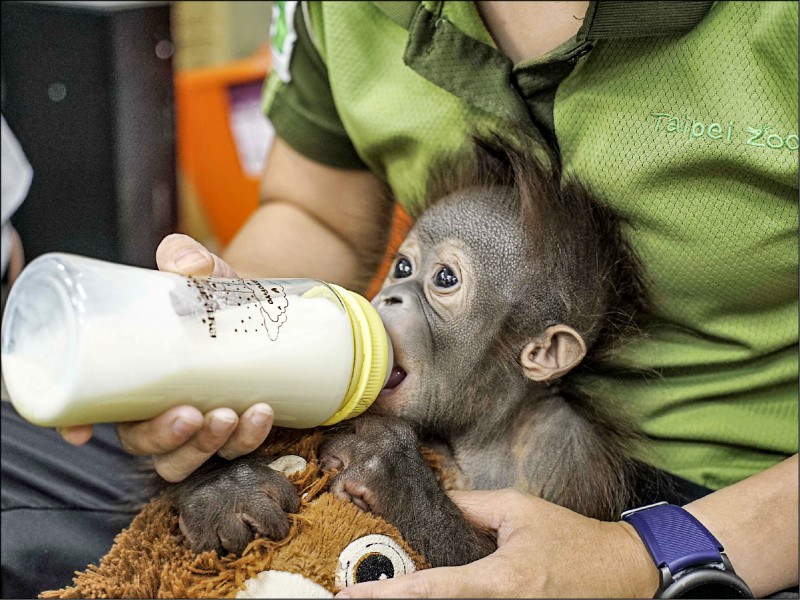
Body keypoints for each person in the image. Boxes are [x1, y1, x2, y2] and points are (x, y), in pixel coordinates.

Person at [7, 1, 797, 597]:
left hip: (736, 507)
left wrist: (651, 555)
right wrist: (216, 344)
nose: (391, 303)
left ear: (545, 350)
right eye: (408, 270)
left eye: (442, 281)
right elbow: (311, 212)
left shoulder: (559, 451)